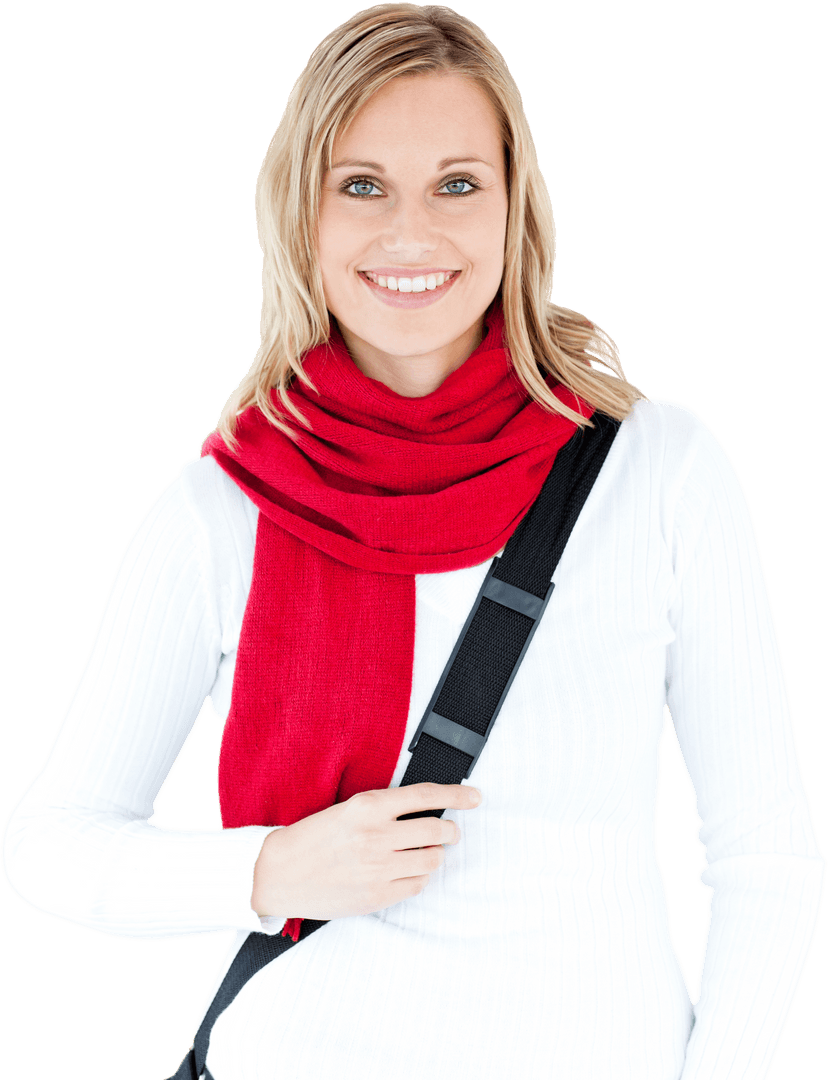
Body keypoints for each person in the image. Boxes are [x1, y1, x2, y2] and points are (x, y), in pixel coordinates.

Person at [2, 4, 825, 1078]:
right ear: (303, 213)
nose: (410, 233)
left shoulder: (658, 469)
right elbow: (49, 846)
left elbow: (767, 860)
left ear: (512, 206)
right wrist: (270, 869)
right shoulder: (220, 511)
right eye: (361, 185)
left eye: (455, 183)